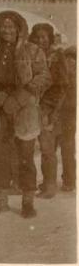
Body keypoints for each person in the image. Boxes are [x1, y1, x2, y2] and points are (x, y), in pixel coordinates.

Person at [0, 10, 51, 218]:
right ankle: (1, 200)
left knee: (25, 158)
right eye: (3, 27)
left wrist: (21, 97)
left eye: (11, 27)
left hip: (23, 110)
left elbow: (44, 76)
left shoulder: (33, 50)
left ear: (19, 28)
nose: (7, 30)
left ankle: (27, 201)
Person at [28, 23, 68, 198]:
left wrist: (53, 112)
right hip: (32, 106)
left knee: (47, 148)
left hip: (49, 107)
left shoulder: (57, 56)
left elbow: (63, 85)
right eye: (37, 37)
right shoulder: (32, 54)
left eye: (44, 37)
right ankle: (45, 182)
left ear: (50, 38)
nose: (40, 40)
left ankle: (50, 186)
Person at [57, 45, 76, 192]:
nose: (71, 61)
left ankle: (69, 181)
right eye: (68, 58)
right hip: (60, 115)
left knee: (68, 148)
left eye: (74, 59)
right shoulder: (62, 74)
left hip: (71, 116)